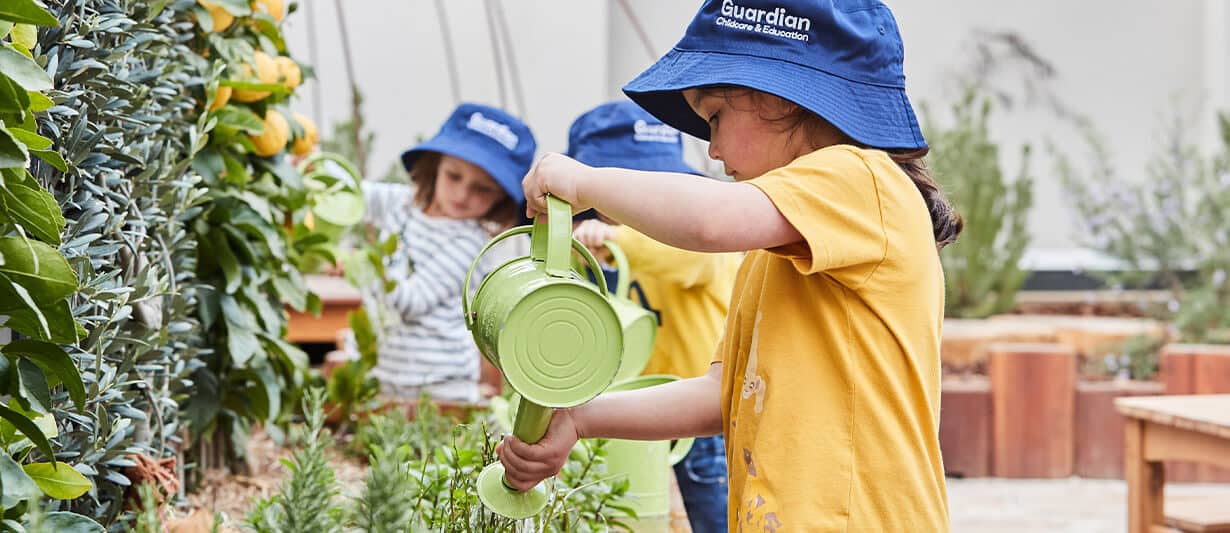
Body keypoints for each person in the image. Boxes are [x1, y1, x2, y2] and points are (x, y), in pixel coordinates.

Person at [497, 1, 963, 530]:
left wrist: (584, 182)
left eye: (715, 116)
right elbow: (723, 395)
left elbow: (710, 222)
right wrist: (580, 418)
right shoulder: (776, 255)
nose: (712, 149)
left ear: (784, 96)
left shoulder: (865, 180)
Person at [565, 100, 740, 532]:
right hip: (638, 408)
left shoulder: (693, 239)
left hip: (699, 411)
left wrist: (618, 240)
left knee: (716, 517)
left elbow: (692, 257)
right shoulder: (592, 245)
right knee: (634, 515)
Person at [361, 103, 535, 403]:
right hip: (389, 378)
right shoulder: (403, 204)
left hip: (442, 389)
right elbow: (351, 193)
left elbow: (410, 301)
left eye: (483, 189)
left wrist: (361, 265)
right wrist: (312, 167)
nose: (462, 194)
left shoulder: (469, 244)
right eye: (454, 176)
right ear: (435, 166)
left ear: (502, 199)